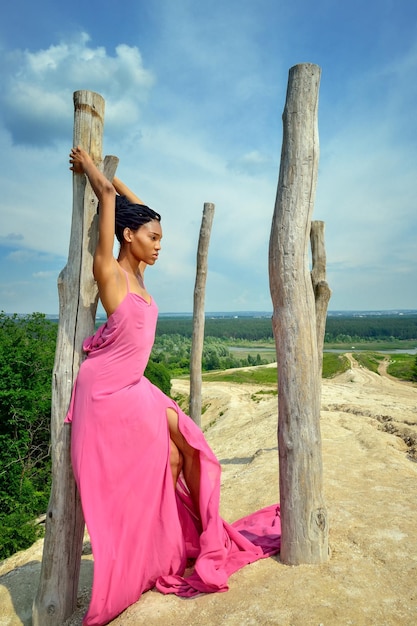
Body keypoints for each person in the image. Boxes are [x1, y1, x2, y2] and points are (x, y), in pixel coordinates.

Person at [65, 146, 280, 626]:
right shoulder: (111, 273)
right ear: (127, 237)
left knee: (182, 453)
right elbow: (105, 196)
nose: (160, 245)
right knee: (190, 444)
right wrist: (92, 167)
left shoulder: (138, 271)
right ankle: (208, 541)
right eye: (153, 238)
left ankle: (197, 540)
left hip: (133, 386)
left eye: (161, 237)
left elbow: (134, 207)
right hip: (108, 394)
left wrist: (126, 194)